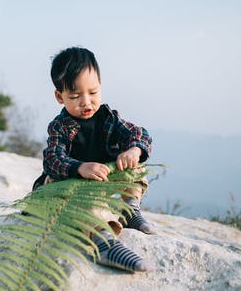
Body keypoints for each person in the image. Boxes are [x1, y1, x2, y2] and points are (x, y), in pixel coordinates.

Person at [33, 46, 155, 273]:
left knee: (136, 163)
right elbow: (52, 159)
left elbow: (139, 133)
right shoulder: (60, 127)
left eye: (93, 92)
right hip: (69, 187)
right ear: (60, 97)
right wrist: (79, 167)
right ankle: (104, 244)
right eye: (75, 96)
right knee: (77, 208)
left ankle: (129, 210)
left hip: (101, 181)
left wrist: (134, 150)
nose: (86, 102)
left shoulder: (107, 117)